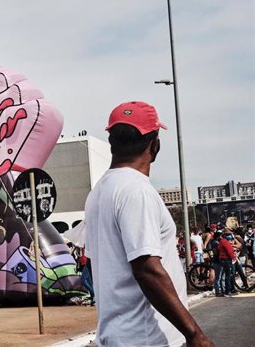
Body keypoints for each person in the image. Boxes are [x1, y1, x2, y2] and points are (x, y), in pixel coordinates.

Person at [84, 101, 213, 347]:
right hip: (146, 338)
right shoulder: (136, 191)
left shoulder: (97, 194)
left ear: (112, 142)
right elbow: (147, 269)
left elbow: (95, 263)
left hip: (117, 335)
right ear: (155, 144)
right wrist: (195, 334)